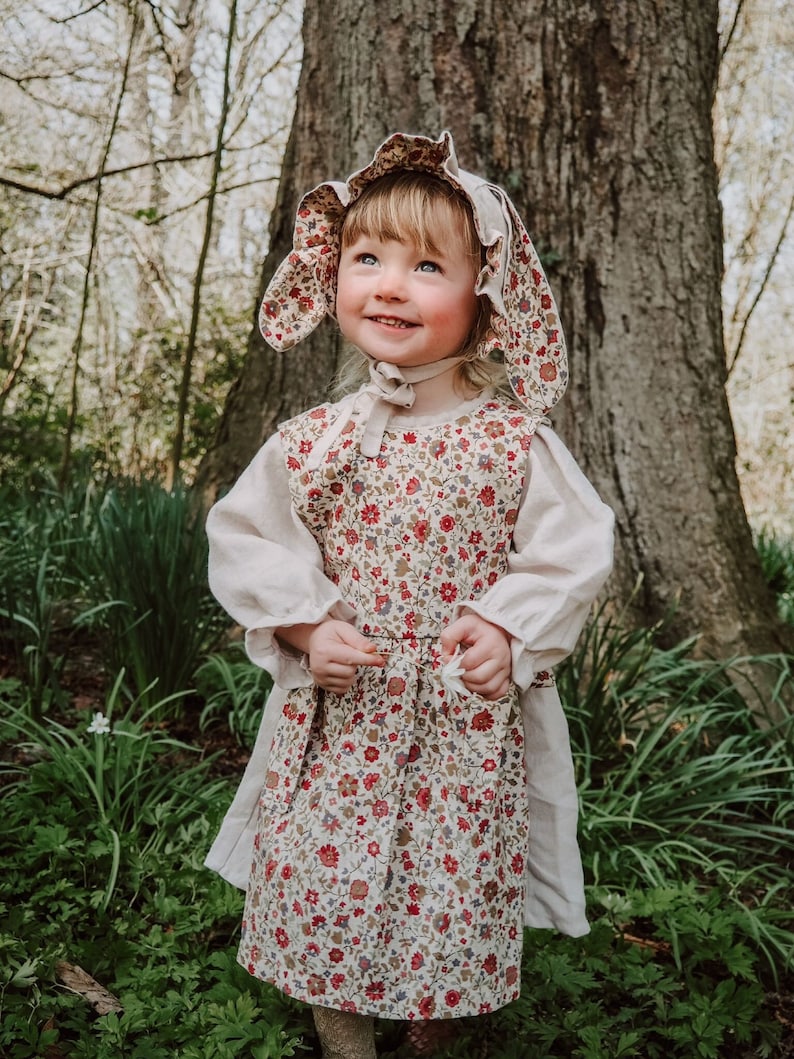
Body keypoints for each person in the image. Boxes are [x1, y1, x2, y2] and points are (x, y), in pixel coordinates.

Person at [204, 131, 614, 1059]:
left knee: (449, 887)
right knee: (325, 881)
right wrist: (305, 621)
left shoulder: (512, 443)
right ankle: (345, 1039)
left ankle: (431, 1035)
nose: (389, 283)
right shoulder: (314, 439)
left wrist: (509, 626)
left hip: (458, 727)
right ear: (332, 278)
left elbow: (572, 549)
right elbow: (246, 536)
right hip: (343, 719)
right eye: (366, 258)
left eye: (427, 264)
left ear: (486, 291)